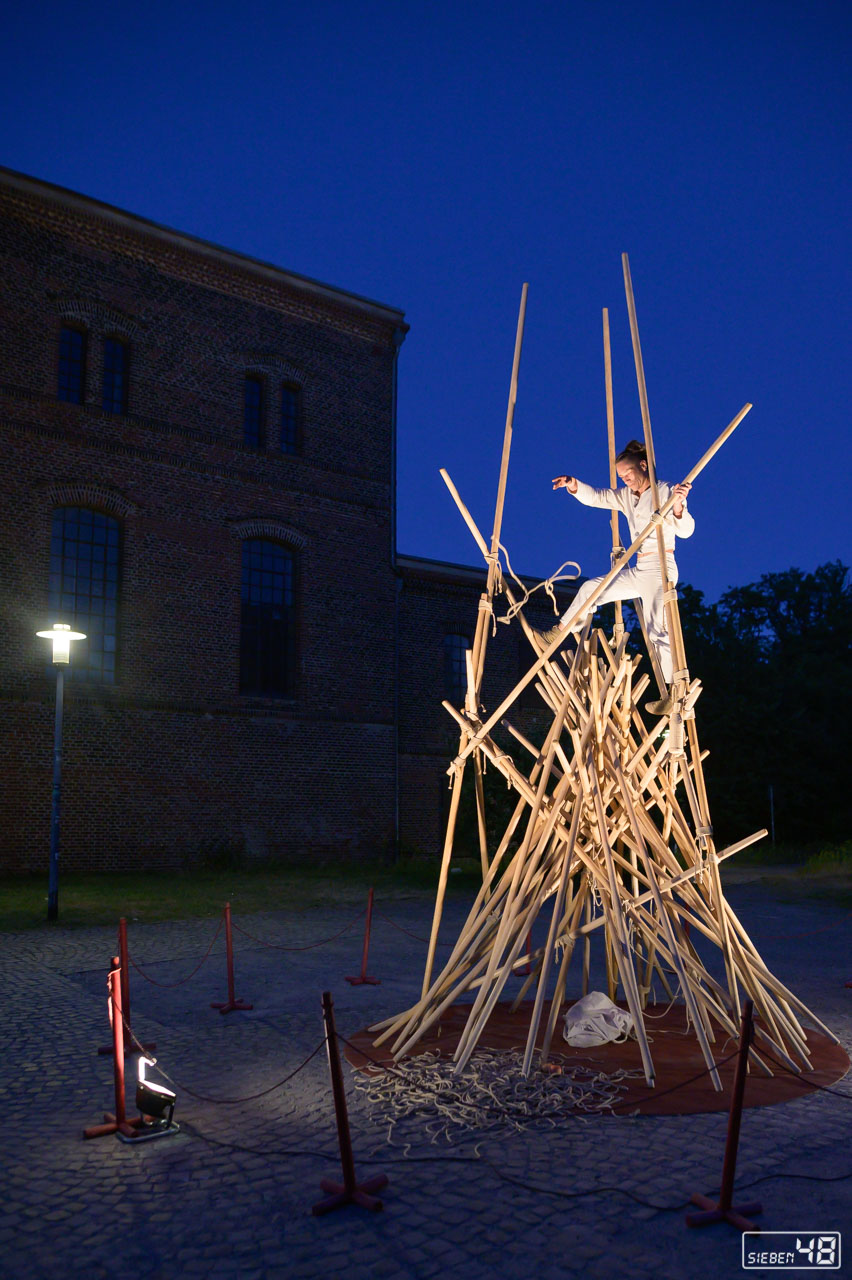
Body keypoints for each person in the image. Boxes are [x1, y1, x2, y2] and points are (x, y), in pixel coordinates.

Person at [538, 440, 693, 716]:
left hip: (660, 568)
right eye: (622, 477)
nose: (626, 480)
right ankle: (559, 633)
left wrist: (679, 506)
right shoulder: (626, 497)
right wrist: (574, 484)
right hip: (640, 567)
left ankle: (675, 690)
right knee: (591, 588)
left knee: (657, 629)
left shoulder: (665, 491)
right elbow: (598, 497)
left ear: (643, 466)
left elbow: (686, 531)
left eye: (629, 474)